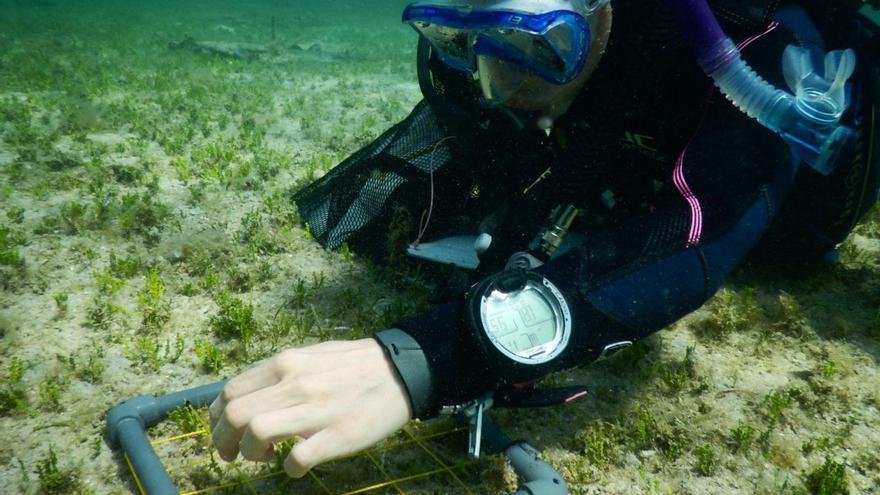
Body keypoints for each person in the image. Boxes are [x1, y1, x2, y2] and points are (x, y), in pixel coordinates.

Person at [209, 0, 880, 479]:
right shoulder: (488, 60)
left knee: (790, 245)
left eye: (540, 46)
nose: (501, 83)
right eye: (456, 37)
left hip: (798, 197)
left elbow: (701, 228)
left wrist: (430, 355)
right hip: (625, 152)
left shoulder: (751, 46)